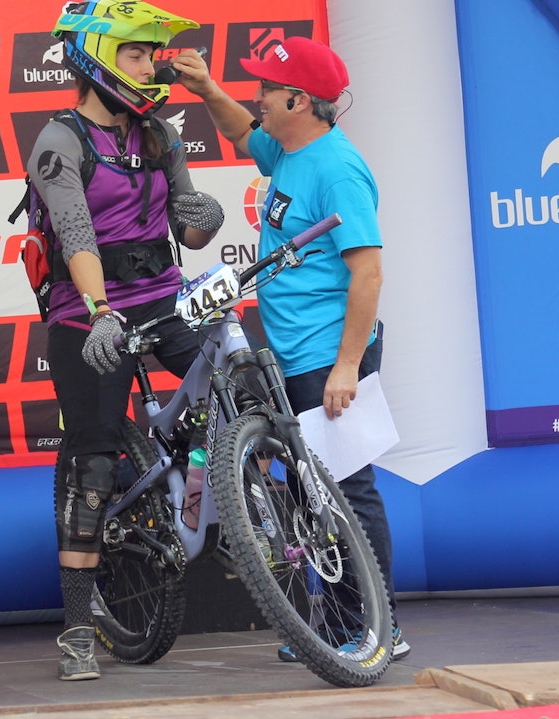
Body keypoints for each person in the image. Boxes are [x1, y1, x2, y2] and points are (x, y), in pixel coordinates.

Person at [171, 36, 410, 661]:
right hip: (295, 357)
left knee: (348, 490)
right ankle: (334, 628)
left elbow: (369, 274)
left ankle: (380, 630)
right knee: (310, 493)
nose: (259, 99)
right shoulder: (290, 151)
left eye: (268, 91)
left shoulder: (337, 169)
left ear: (299, 99)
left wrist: (348, 367)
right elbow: (246, 132)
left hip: (329, 359)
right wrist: (205, 88)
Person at [30, 1, 225, 681]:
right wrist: (101, 310)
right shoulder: (60, 141)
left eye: (151, 54)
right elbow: (76, 238)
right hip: (87, 316)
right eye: (136, 54)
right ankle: (78, 632)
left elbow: (189, 228)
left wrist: (205, 218)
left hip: (164, 297)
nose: (150, 65)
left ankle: (207, 492)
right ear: (94, 59)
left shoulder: (160, 133)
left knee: (231, 370)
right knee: (91, 462)